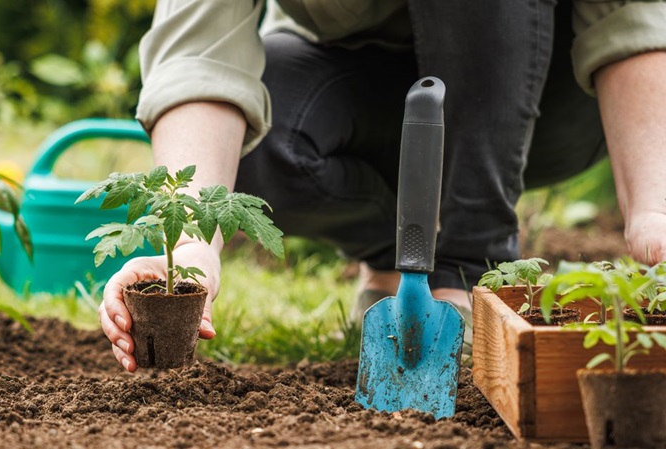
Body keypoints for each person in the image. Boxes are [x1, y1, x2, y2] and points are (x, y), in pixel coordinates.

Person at [99, 0, 666, 372]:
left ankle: (469, 266)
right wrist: (195, 246)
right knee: (266, 141)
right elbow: (199, 53)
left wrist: (654, 211)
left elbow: (632, 20)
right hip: (358, 83)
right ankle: (400, 258)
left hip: (542, 96)